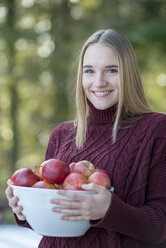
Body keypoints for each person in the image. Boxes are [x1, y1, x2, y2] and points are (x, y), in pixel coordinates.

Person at [5, 29, 166, 248]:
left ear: (128, 74)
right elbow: (55, 220)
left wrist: (108, 210)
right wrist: (24, 212)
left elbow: (160, 227)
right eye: (89, 71)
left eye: (111, 70)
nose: (99, 82)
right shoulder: (62, 135)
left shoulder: (156, 130)